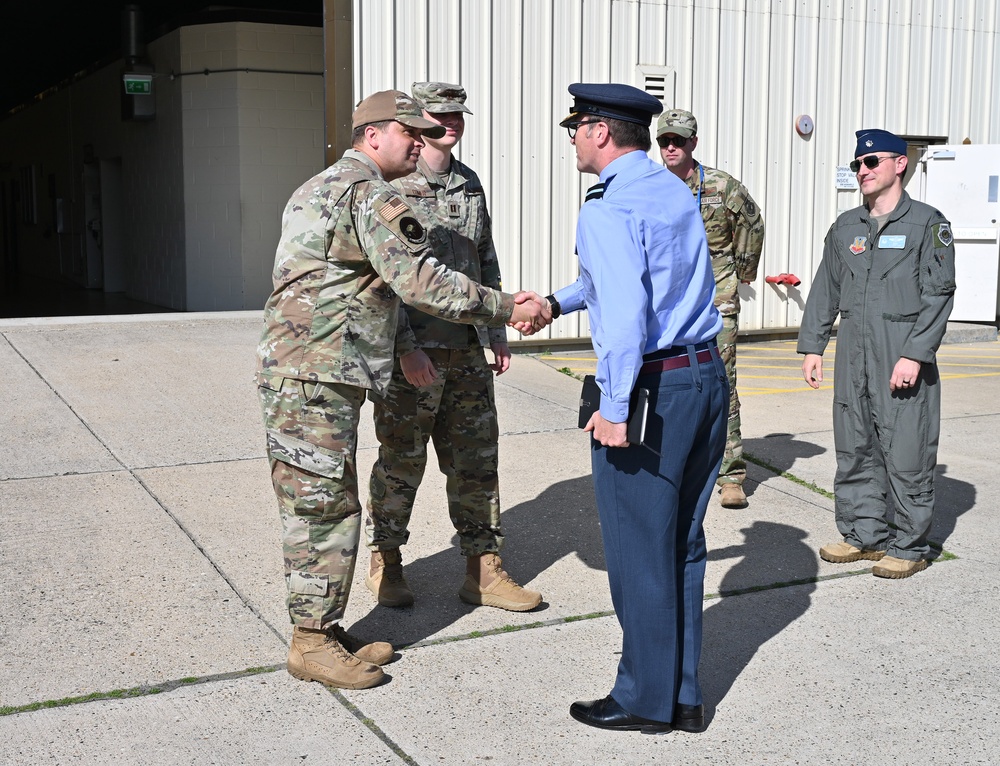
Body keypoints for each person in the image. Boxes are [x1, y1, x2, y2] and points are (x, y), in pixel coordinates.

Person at [256, 90, 549, 691]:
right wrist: (503, 306)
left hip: (315, 369)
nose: (420, 143)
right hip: (316, 372)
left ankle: (326, 629)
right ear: (373, 135)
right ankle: (310, 641)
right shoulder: (368, 193)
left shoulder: (319, 185)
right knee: (321, 508)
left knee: (329, 500)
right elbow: (420, 281)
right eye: (408, 134)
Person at [542, 83, 728, 734]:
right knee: (682, 546)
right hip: (705, 376)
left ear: (599, 131)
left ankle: (645, 701)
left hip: (652, 389)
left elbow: (623, 314)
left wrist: (616, 406)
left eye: (576, 128)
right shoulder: (669, 190)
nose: (571, 140)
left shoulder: (605, 211)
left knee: (638, 552)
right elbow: (635, 279)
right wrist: (557, 302)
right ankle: (680, 694)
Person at [364, 82, 541, 612]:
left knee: (476, 461)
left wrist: (496, 331)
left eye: (457, 115)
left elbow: (484, 258)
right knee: (401, 461)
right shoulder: (394, 185)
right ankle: (386, 560)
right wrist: (404, 348)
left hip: (464, 350)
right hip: (413, 353)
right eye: (439, 115)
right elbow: (381, 281)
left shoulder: (468, 183)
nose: (451, 123)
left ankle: (483, 571)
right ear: (419, 122)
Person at [798, 128, 956, 579]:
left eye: (871, 163)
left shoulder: (928, 224)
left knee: (906, 449)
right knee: (855, 445)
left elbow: (939, 294)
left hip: (900, 350)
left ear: (900, 164)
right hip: (853, 352)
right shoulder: (846, 227)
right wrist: (814, 346)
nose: (862, 172)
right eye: (857, 166)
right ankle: (863, 535)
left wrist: (915, 353)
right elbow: (825, 288)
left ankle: (909, 544)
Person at [657, 108, 764, 509]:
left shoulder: (721, 186)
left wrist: (742, 274)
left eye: (678, 141)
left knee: (721, 379)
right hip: (665, 303)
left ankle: (731, 473)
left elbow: (752, 225)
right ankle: (676, 464)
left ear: (693, 144)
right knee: (669, 382)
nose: (671, 147)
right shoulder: (649, 185)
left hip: (715, 298)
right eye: (664, 140)